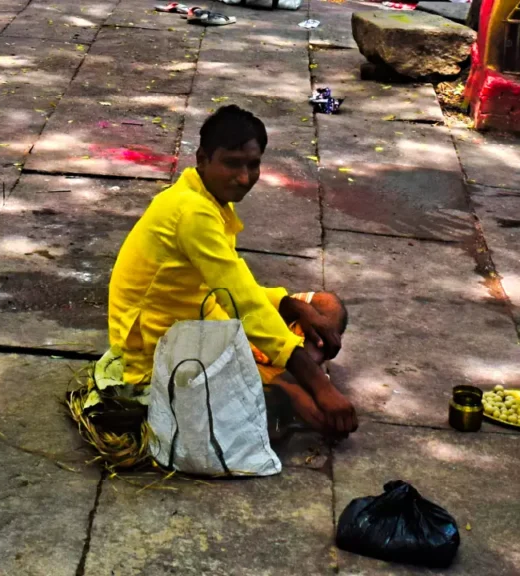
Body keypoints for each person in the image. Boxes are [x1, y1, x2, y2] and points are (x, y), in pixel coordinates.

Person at [105, 105, 357, 439]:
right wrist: (318, 385)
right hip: (159, 358)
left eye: (253, 164)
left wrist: (293, 306)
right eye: (231, 163)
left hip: (207, 321)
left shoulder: (211, 198)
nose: (244, 177)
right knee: (271, 415)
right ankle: (282, 391)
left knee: (325, 306)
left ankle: (280, 381)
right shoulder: (191, 212)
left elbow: (234, 287)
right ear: (202, 159)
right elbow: (243, 302)